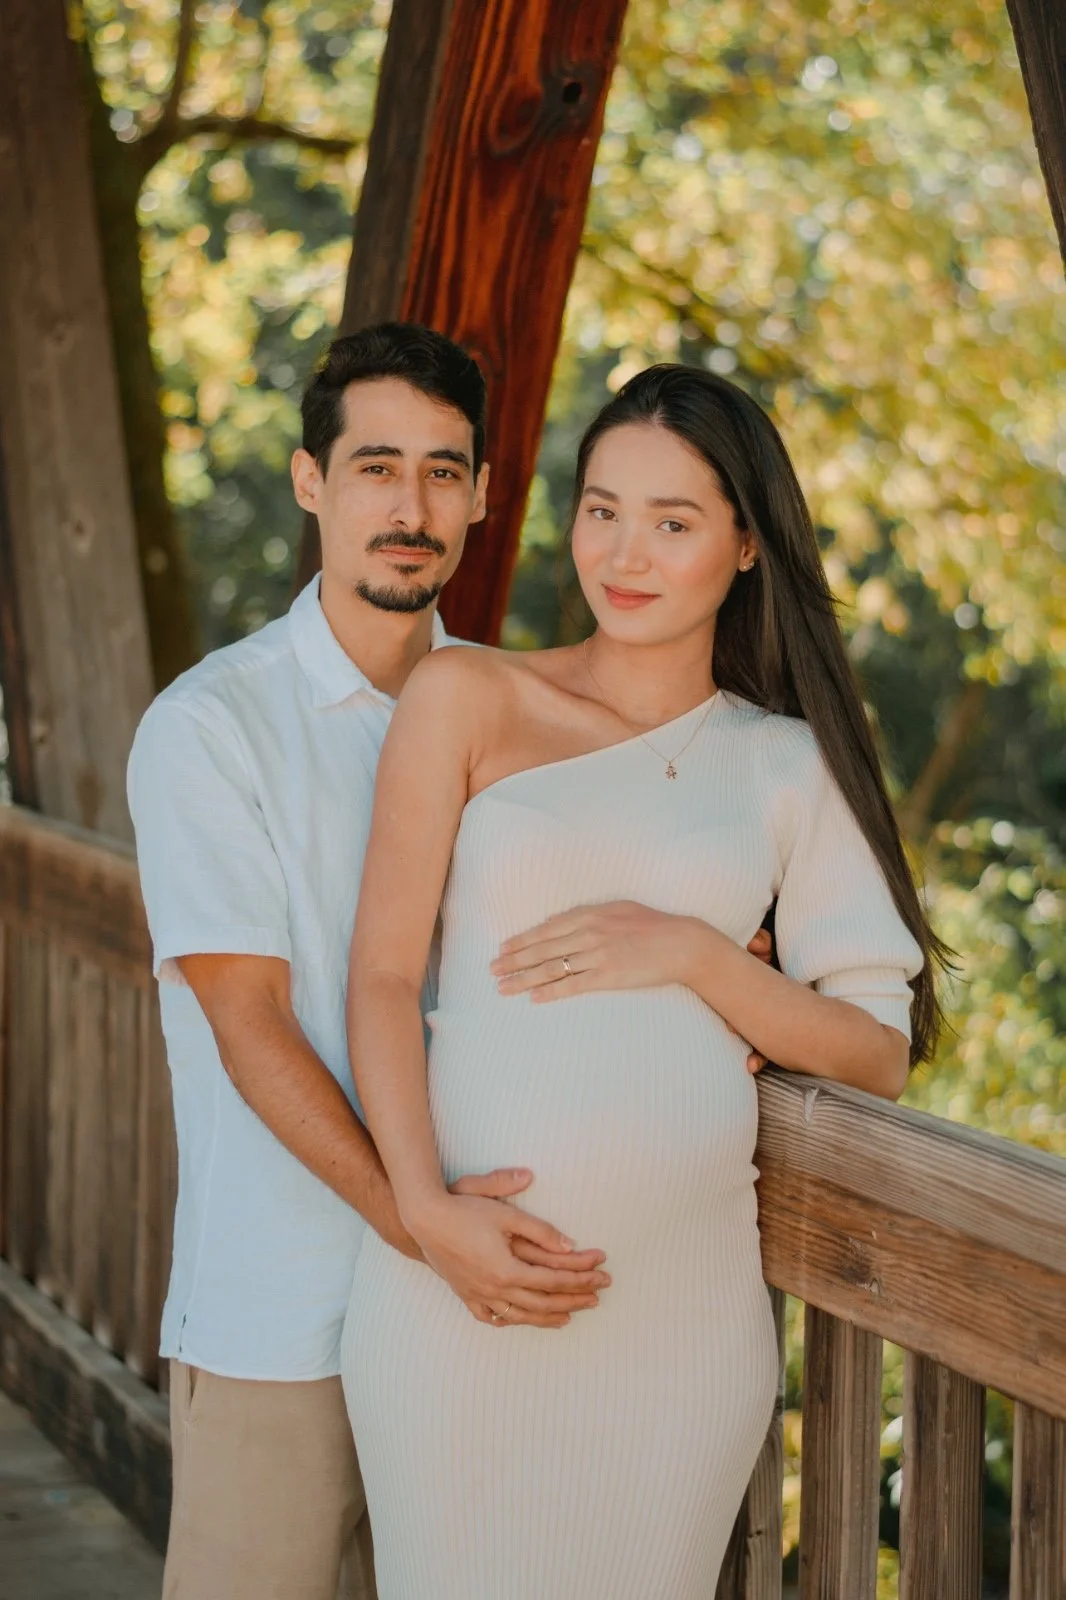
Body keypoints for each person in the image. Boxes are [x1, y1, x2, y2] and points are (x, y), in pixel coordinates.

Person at [342, 362, 944, 1599]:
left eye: (673, 522)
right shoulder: (466, 694)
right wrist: (423, 1207)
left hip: (676, 1329)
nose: (625, 552)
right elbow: (383, 975)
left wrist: (695, 953)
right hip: (455, 1293)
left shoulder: (784, 764)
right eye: (603, 509)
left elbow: (874, 1049)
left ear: (745, 549)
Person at [126, 323, 612, 1600]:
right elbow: (249, 1024)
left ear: (484, 493)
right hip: (280, 1318)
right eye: (376, 467)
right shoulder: (209, 728)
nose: (412, 507)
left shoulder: (522, 718)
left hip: (477, 1319)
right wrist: (421, 1223)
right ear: (309, 483)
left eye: (444, 472)